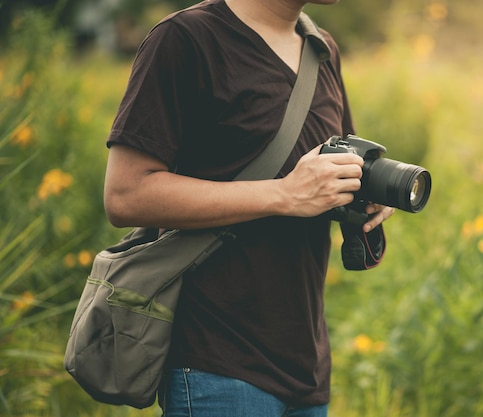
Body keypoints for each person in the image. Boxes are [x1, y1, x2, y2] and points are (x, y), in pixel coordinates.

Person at [102, 0, 395, 416]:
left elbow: (326, 174)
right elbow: (126, 195)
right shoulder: (186, 39)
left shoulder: (320, 49)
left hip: (306, 366)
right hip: (216, 362)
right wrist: (284, 194)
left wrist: (364, 189)